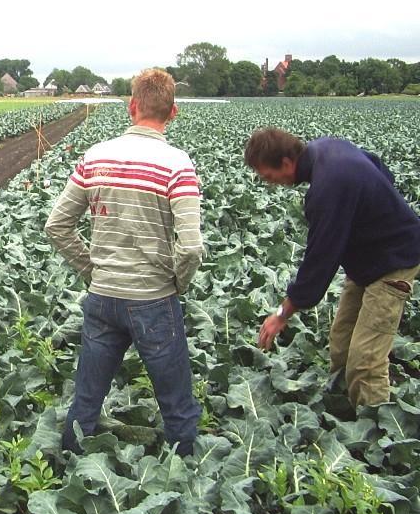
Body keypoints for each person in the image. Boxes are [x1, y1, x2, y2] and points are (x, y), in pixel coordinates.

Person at [45, 68, 203, 456]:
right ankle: (182, 482)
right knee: (177, 406)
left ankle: (68, 472)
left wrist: (90, 269)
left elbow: (57, 225)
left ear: (132, 106)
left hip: (102, 299)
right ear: (173, 112)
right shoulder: (177, 164)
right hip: (153, 300)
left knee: (85, 403)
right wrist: (176, 283)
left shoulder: (95, 157)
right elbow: (192, 247)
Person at [246, 128, 420, 406]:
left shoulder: (327, 189)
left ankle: (376, 431)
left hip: (393, 260)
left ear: (287, 163)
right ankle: (344, 410)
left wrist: (282, 313)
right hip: (366, 259)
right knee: (341, 341)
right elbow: (376, 165)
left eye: (270, 176)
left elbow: (319, 261)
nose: (272, 183)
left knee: (365, 362)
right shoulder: (325, 147)